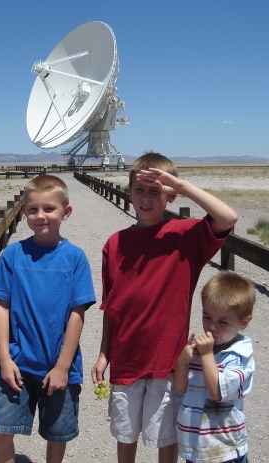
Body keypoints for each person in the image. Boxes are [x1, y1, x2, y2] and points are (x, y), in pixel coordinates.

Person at [91, 151, 239, 463]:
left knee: (165, 439)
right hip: (125, 360)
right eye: (139, 190)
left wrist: (182, 186)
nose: (145, 199)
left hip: (167, 361)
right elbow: (111, 308)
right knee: (125, 435)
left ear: (169, 196)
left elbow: (227, 218)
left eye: (155, 192)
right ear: (129, 192)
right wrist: (105, 353)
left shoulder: (185, 237)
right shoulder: (114, 245)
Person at [0, 174, 96, 463]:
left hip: (59, 366)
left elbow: (77, 313)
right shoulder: (13, 255)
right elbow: (2, 306)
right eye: (33, 209)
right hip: (17, 363)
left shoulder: (75, 258)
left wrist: (62, 366)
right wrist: (4, 357)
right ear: (24, 214)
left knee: (57, 433)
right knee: (2, 427)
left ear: (66, 212)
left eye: (49, 209)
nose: (40, 216)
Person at [174, 271, 256, 463]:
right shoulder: (202, 348)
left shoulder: (239, 355)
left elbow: (217, 392)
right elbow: (180, 387)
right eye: (207, 317)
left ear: (243, 322)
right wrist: (183, 361)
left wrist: (207, 354)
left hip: (224, 448)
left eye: (223, 322)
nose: (212, 327)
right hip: (196, 446)